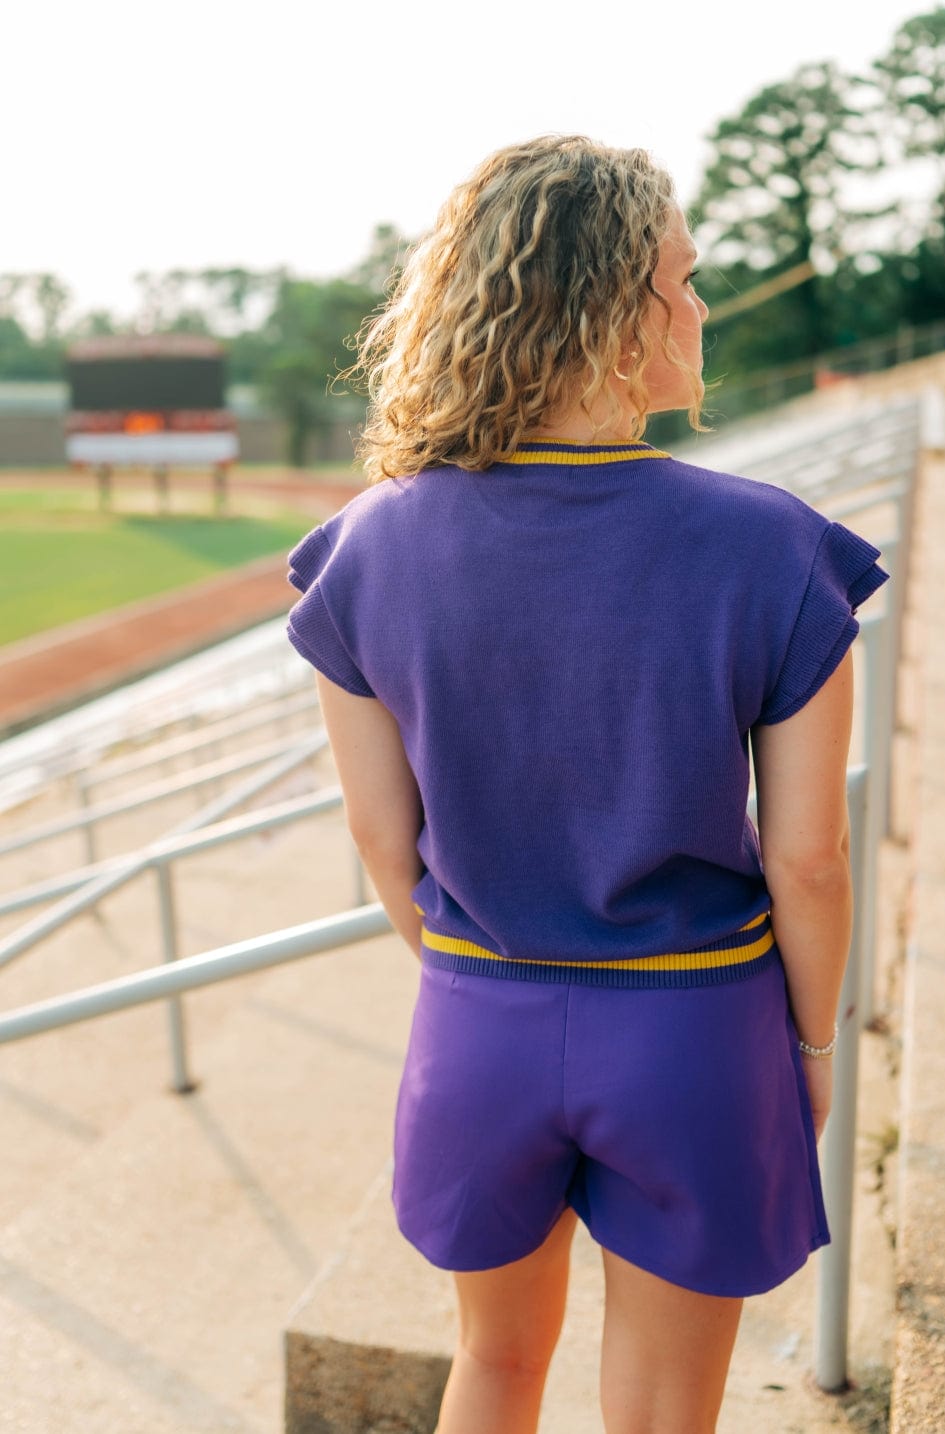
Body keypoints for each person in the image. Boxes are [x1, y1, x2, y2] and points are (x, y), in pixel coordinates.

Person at [285, 135, 889, 1434]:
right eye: (685, 276)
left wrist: (485, 976)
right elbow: (809, 860)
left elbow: (382, 840)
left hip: (477, 1018)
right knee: (664, 1414)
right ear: (616, 311)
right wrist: (817, 1043)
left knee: (494, 1369)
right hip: (696, 1025)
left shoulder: (371, 543)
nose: (704, 305)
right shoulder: (770, 543)